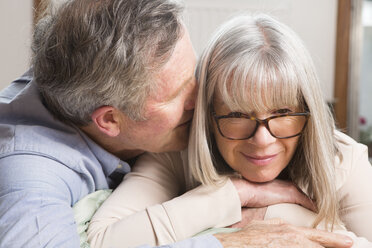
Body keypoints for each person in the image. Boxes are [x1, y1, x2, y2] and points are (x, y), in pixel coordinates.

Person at [0, 0, 353, 247]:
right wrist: (225, 240)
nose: (205, 99)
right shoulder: (30, 178)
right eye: (179, 93)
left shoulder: (86, 71)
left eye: (194, 73)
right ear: (110, 119)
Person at [87, 13, 372, 248]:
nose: (262, 140)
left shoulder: (343, 161)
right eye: (237, 114)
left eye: (283, 113)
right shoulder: (176, 153)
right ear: (207, 115)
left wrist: (270, 214)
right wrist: (237, 195)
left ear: (307, 111)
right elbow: (103, 242)